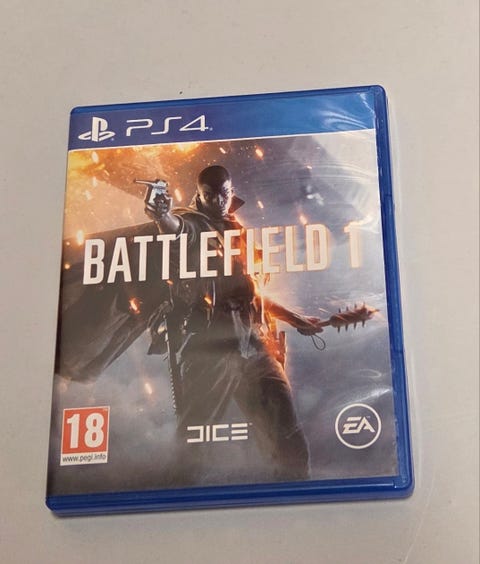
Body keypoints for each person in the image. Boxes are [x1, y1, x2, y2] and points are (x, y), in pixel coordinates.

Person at [145, 165, 324, 481]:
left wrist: (295, 319)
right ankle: (174, 500)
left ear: (231, 192)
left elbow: (250, 294)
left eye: (224, 194)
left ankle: (298, 493)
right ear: (200, 194)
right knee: (192, 449)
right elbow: (178, 229)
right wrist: (162, 216)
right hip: (211, 349)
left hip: (254, 346)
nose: (218, 201)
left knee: (288, 435)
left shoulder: (237, 231)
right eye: (210, 195)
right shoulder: (194, 225)